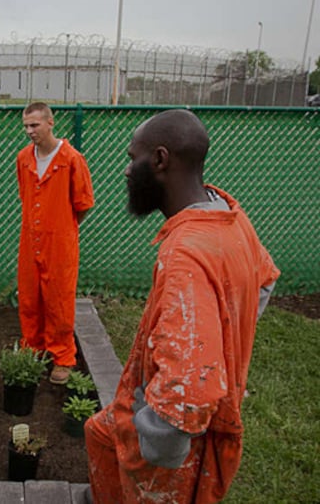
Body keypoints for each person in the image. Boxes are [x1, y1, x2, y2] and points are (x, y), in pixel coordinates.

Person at [84, 109, 279, 503]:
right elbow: (265, 280)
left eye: (131, 158)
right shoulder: (228, 215)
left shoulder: (185, 256)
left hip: (175, 457)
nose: (126, 172)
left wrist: (150, 447)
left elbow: (189, 394)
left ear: (159, 159)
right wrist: (225, 342)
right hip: (173, 425)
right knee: (98, 433)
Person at [16, 102, 95, 384]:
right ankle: (34, 347)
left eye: (34, 125)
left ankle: (62, 357)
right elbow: (26, 197)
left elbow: (83, 204)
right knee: (29, 295)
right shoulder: (24, 158)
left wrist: (63, 228)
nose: (29, 131)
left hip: (60, 241)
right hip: (30, 238)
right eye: (26, 126)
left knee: (59, 300)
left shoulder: (72, 160)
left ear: (51, 122)